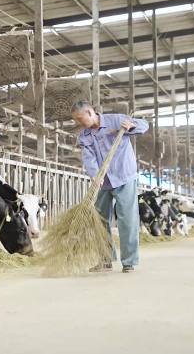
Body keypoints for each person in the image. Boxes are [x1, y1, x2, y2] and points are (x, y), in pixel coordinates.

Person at [71, 101, 149, 273]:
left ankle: (129, 262)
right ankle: (105, 260)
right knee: (100, 221)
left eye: (80, 118)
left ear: (90, 112)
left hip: (124, 176)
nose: (79, 123)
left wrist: (132, 125)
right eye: (76, 120)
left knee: (127, 220)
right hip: (103, 181)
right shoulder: (84, 135)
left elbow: (144, 125)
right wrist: (95, 175)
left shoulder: (116, 120)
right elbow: (88, 157)